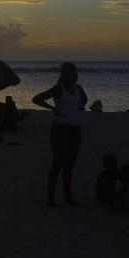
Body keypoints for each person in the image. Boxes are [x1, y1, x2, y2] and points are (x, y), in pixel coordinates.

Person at [33, 62, 88, 207]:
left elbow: (84, 99)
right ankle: (51, 199)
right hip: (60, 129)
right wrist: (52, 108)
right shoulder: (58, 89)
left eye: (69, 72)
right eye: (64, 72)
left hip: (75, 129)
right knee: (57, 164)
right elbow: (37, 99)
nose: (66, 74)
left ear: (74, 73)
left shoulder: (78, 88)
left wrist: (80, 107)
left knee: (70, 165)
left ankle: (67, 197)